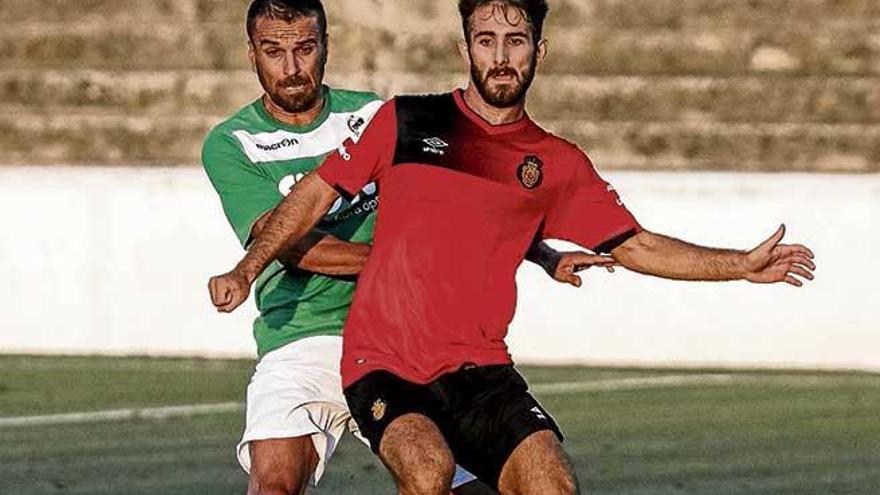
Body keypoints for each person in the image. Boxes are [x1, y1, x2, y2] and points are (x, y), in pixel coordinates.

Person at [207, 0, 816, 494]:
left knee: (551, 482)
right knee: (401, 474)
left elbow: (633, 245)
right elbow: (305, 209)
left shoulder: (554, 162)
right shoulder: (404, 122)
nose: (501, 56)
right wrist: (245, 268)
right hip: (367, 350)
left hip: (477, 367)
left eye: (516, 40)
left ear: (538, 52)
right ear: (464, 48)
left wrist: (739, 265)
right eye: (486, 39)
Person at [201, 1, 605, 493]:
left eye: (305, 49)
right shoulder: (232, 142)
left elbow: (468, 208)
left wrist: (542, 253)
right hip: (302, 338)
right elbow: (285, 241)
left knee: (458, 481)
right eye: (274, 51)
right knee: (274, 483)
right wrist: (403, 261)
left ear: (326, 47)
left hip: (403, 334)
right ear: (251, 55)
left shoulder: (373, 114)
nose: (291, 68)